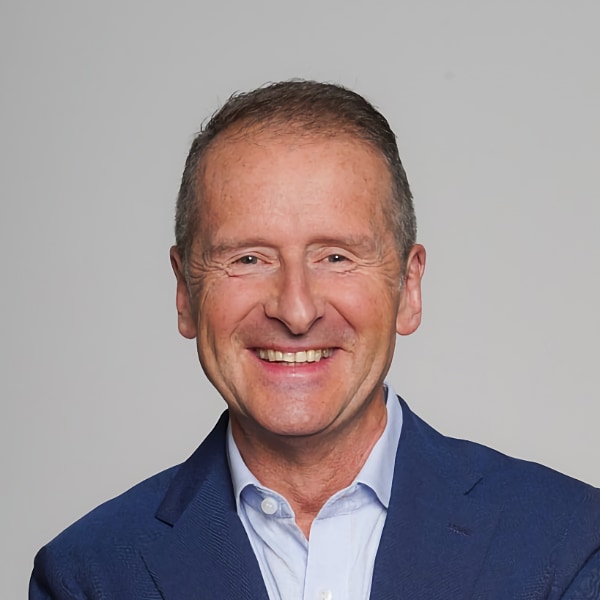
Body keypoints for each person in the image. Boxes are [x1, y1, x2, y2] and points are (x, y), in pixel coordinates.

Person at [30, 80, 600, 599]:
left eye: (336, 257)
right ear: (185, 292)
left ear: (408, 287)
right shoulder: (86, 576)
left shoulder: (567, 542)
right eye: (248, 258)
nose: (296, 311)